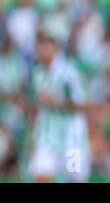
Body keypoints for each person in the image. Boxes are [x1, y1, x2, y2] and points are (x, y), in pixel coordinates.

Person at [29, 29, 91, 182]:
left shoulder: (69, 72)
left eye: (46, 47)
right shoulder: (37, 73)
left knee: (75, 179)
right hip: (47, 136)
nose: (42, 51)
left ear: (55, 48)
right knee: (42, 176)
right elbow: (39, 106)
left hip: (71, 136)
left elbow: (85, 105)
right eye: (40, 47)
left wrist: (56, 102)